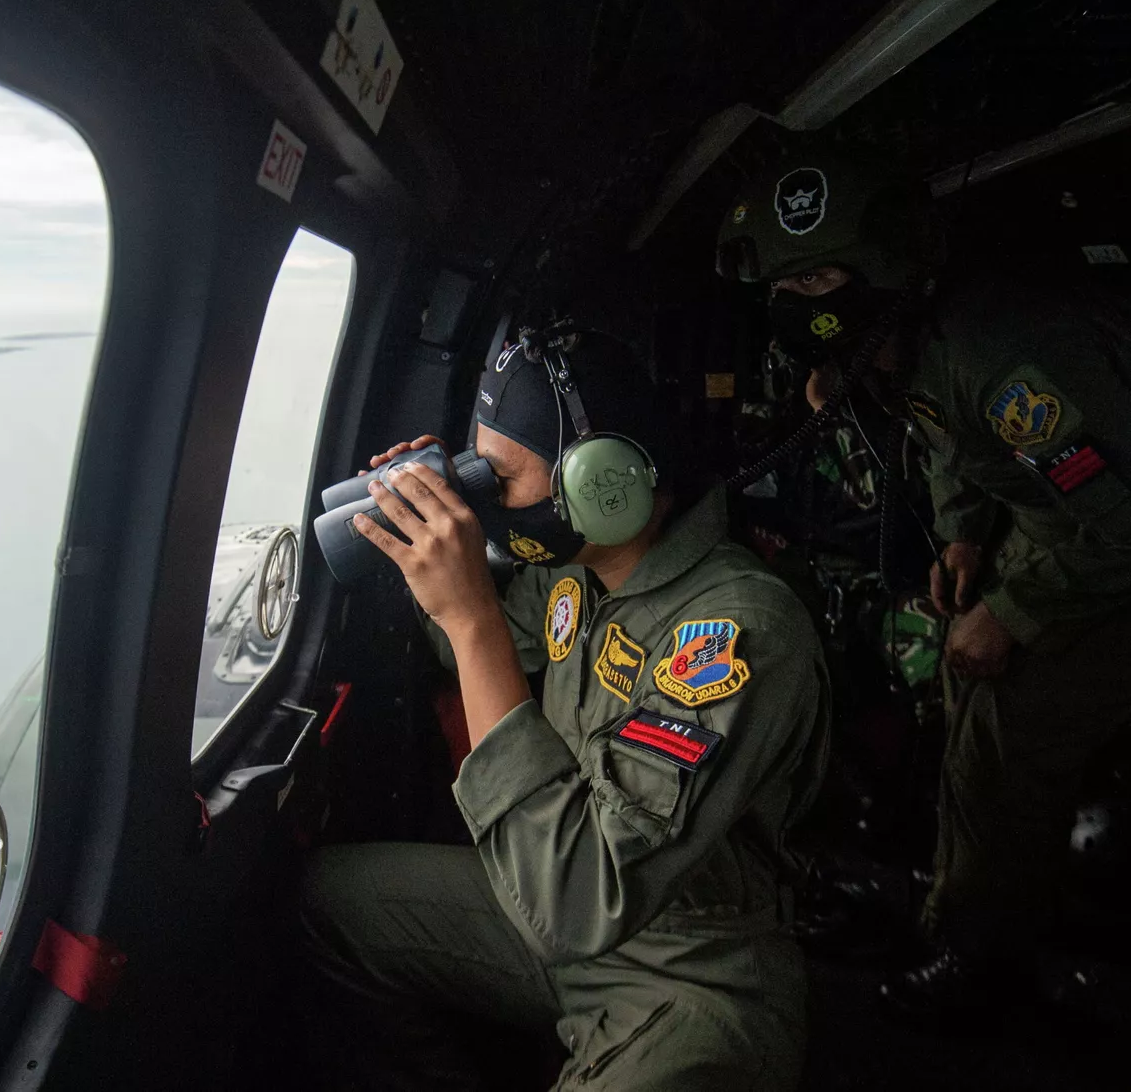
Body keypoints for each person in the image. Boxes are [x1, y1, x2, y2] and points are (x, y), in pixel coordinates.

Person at [713, 149, 1131, 1019]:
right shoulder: (913, 341)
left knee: (1013, 730)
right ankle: (965, 894)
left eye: (816, 280)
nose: (796, 305)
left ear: (884, 269)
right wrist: (963, 538)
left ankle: (984, 963)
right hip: (1084, 514)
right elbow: (956, 442)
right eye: (783, 289)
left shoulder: (1003, 353)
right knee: (965, 678)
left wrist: (1013, 612)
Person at [297, 327, 830, 1090]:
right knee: (330, 906)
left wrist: (472, 616)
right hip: (554, 910)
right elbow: (465, 649)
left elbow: (580, 898)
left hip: (688, 968)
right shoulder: (579, 575)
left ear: (603, 482)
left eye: (500, 476)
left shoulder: (736, 632)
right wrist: (432, 549)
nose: (486, 492)